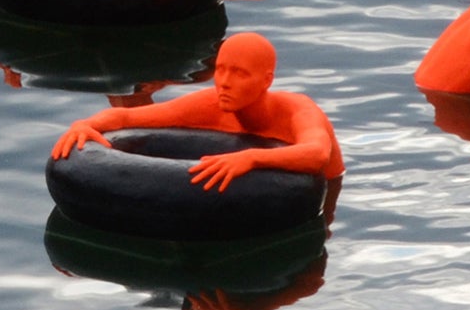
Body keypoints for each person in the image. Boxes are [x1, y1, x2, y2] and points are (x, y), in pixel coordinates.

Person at [49, 32, 342, 191]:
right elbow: (127, 117)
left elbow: (316, 153)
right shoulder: (210, 104)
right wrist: (86, 124)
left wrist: (251, 159)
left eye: (239, 73)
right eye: (221, 70)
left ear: (266, 80)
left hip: (320, 202)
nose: (224, 83)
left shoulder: (298, 110)